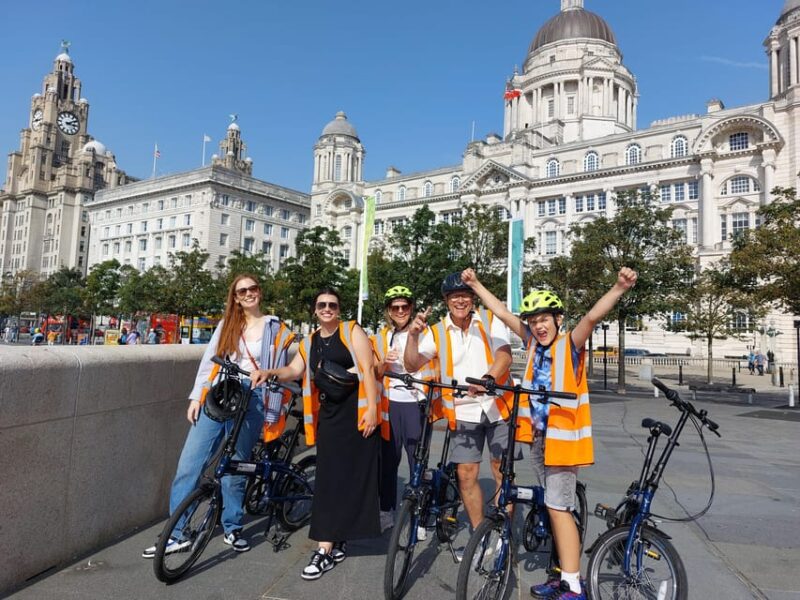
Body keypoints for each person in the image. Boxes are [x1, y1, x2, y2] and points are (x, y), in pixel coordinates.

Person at [462, 266, 637, 600]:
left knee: (558, 507)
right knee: (550, 505)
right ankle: (560, 574)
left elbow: (590, 319)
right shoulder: (531, 345)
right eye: (532, 320)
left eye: (544, 319)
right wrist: (475, 284)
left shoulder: (569, 345)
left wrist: (618, 288)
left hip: (562, 442)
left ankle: (573, 584)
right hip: (540, 439)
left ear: (558, 320)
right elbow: (501, 311)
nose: (537, 325)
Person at [141, 274, 295, 559]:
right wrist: (196, 396)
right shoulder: (227, 325)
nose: (249, 294)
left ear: (260, 292)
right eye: (242, 291)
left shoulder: (278, 328)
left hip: (254, 398)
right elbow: (208, 362)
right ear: (235, 298)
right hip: (222, 393)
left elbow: (288, 368)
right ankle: (177, 534)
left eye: (253, 288)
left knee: (236, 466)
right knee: (190, 464)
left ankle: (232, 526)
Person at [257, 287, 381, 580]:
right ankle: (333, 543)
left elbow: (368, 369)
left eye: (332, 305)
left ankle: (328, 546)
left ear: (339, 309)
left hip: (357, 414)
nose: (327, 309)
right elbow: (294, 370)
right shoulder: (309, 342)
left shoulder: (352, 331)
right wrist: (271, 373)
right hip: (329, 417)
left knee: (350, 480)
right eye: (322, 305)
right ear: (315, 309)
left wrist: (373, 410)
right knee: (329, 479)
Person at [404, 272, 527, 557]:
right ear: (447, 301)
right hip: (463, 411)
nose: (460, 300)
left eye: (465, 295)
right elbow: (411, 365)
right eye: (453, 296)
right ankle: (479, 534)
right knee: (466, 475)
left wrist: (487, 378)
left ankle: (503, 534)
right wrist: (412, 336)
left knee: (502, 472)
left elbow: (505, 355)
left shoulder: (488, 319)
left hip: (498, 406)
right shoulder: (435, 331)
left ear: (472, 298)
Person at [372, 285, 438, 535]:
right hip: (390, 403)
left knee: (416, 461)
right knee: (388, 461)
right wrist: (382, 363)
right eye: (395, 307)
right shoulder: (381, 336)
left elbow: (415, 365)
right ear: (389, 311)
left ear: (411, 308)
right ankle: (386, 511)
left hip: (416, 401)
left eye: (405, 306)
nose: (400, 311)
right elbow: (374, 371)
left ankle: (418, 517)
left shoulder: (425, 331)